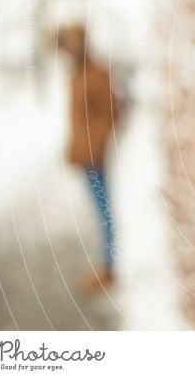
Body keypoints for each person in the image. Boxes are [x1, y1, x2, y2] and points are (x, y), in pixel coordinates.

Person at [56, 25, 120, 293]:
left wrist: (94, 146)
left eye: (69, 44)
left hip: (94, 157)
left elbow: (112, 112)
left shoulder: (96, 73)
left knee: (103, 213)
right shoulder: (76, 74)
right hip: (84, 156)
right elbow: (79, 119)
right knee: (99, 212)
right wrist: (74, 147)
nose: (65, 51)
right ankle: (105, 265)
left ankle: (108, 269)